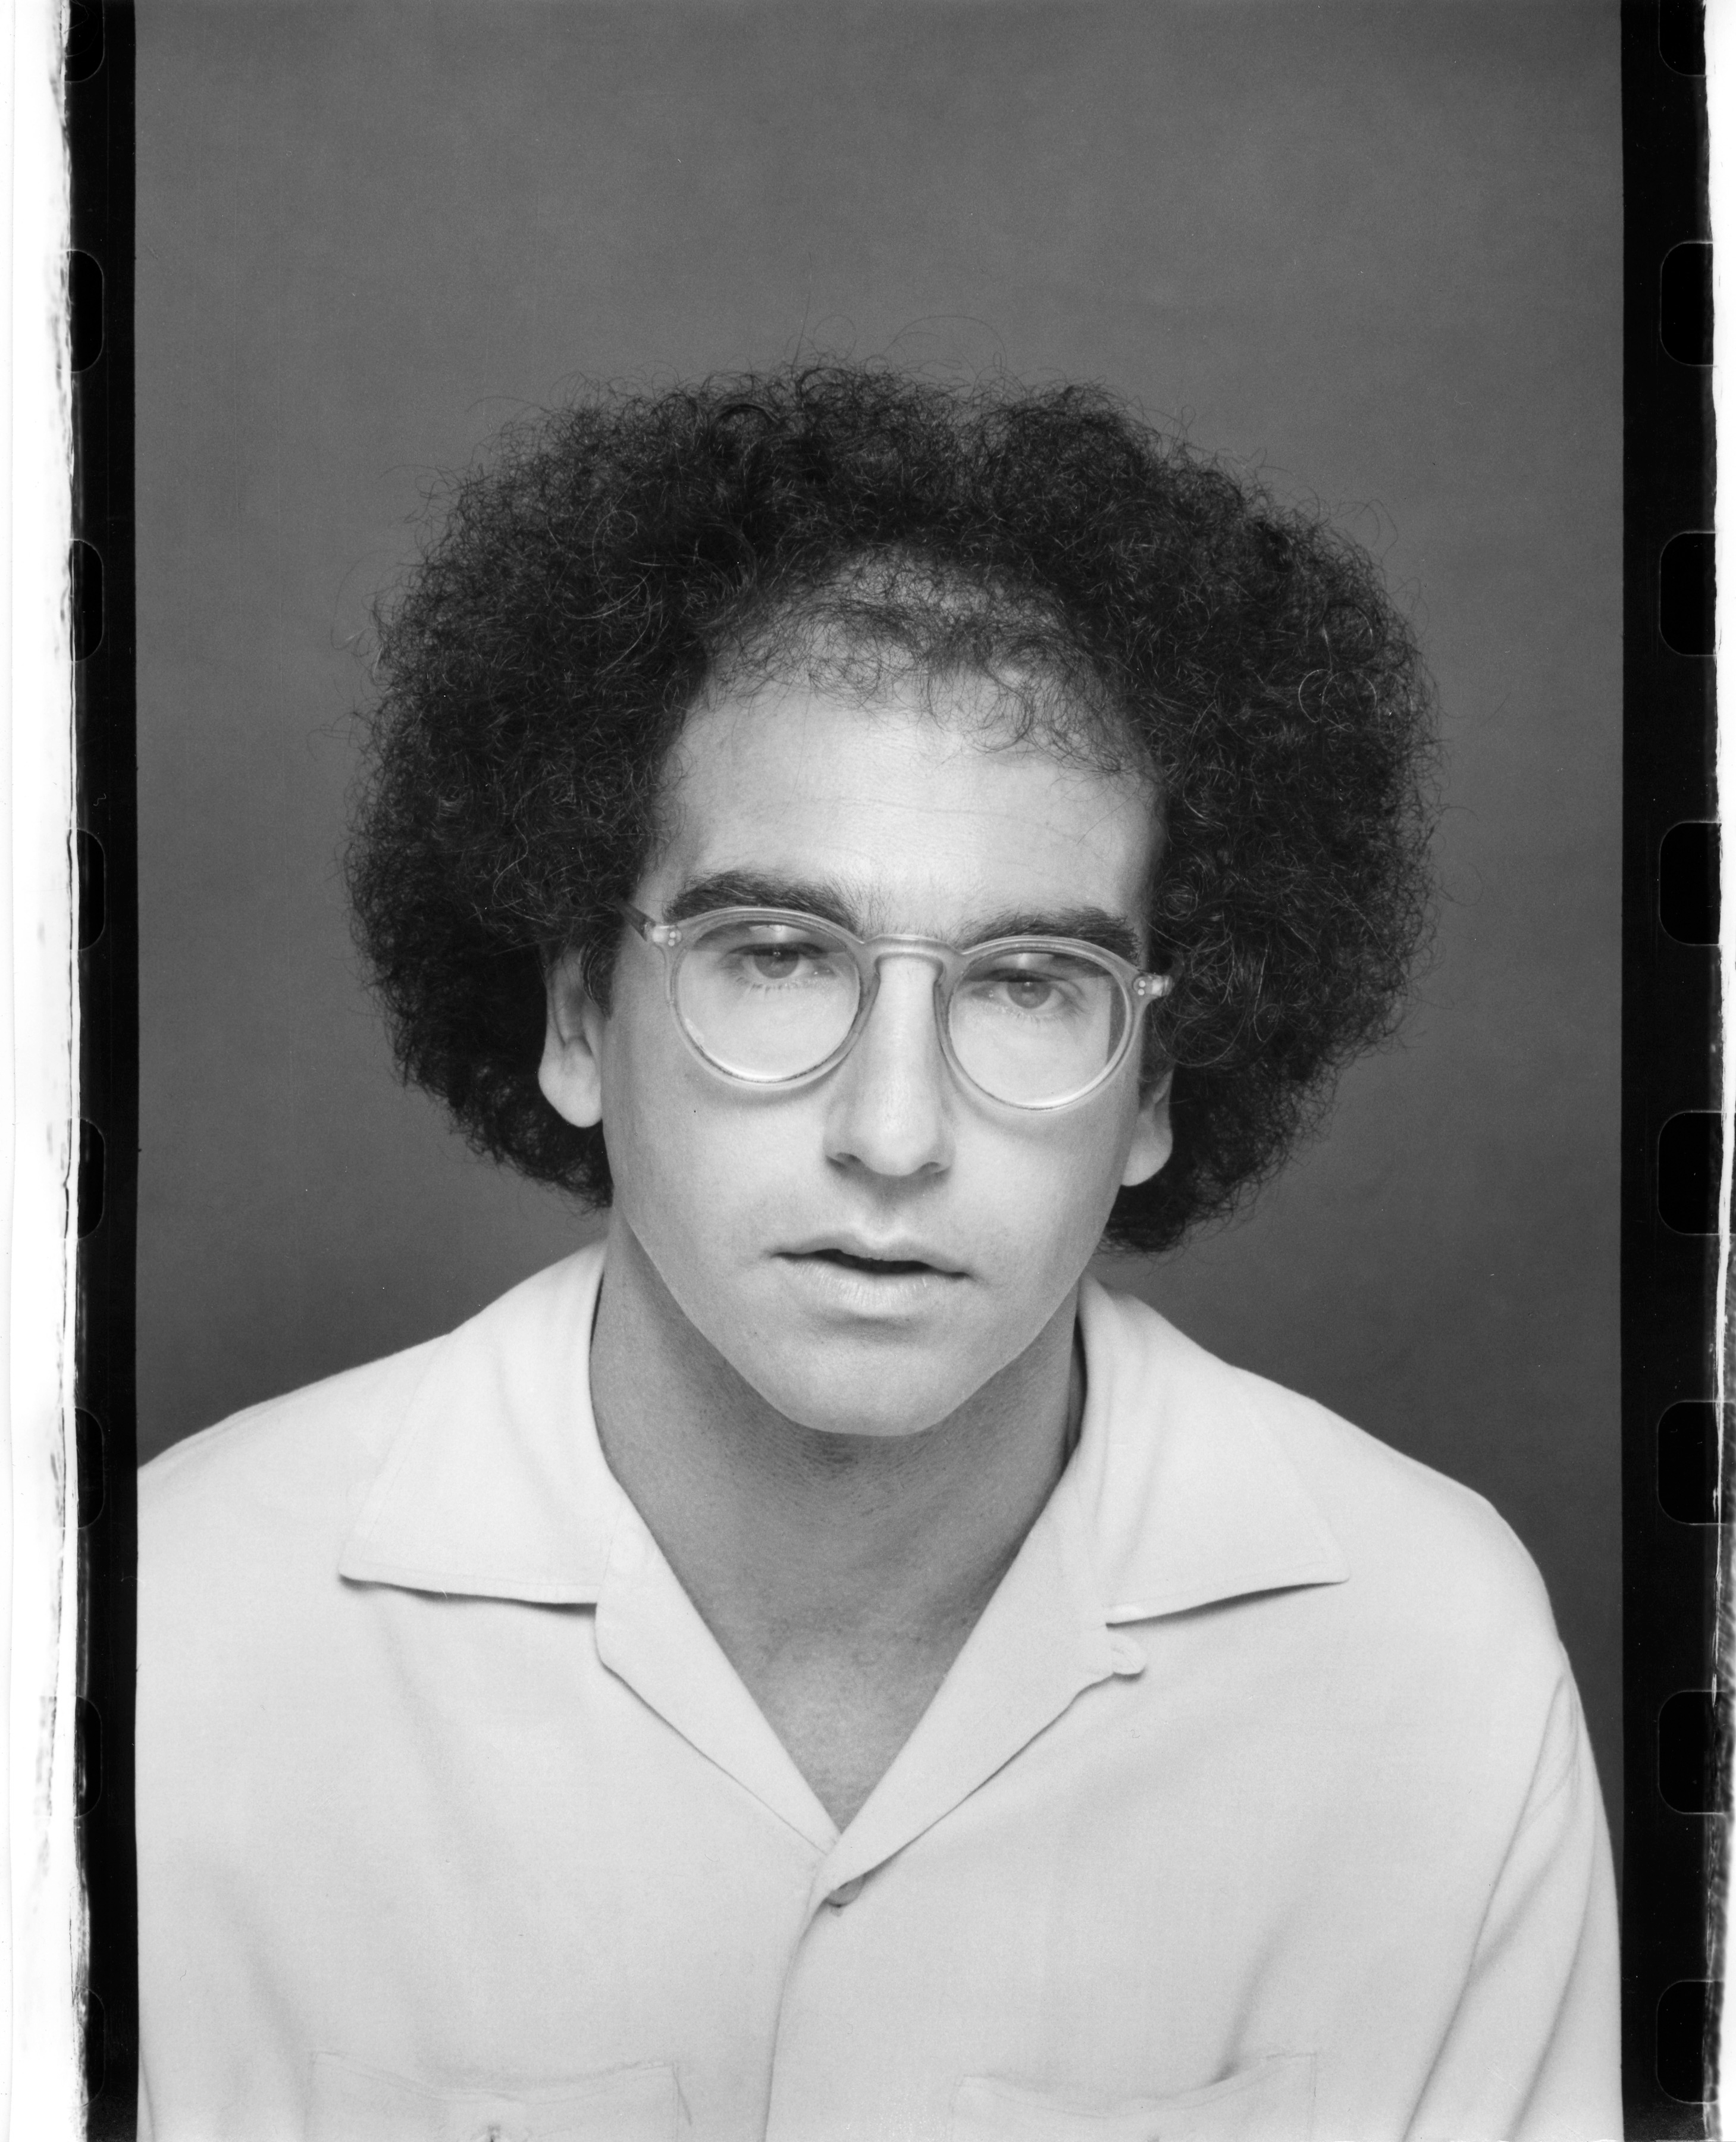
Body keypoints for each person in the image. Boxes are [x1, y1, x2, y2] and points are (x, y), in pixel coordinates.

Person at [136, 367, 1621, 2141]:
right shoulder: (166, 1636)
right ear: (577, 1016)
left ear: (1154, 1086)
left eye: (1028, 985)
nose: (895, 1130)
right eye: (777, 953)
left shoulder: (1431, 1655)